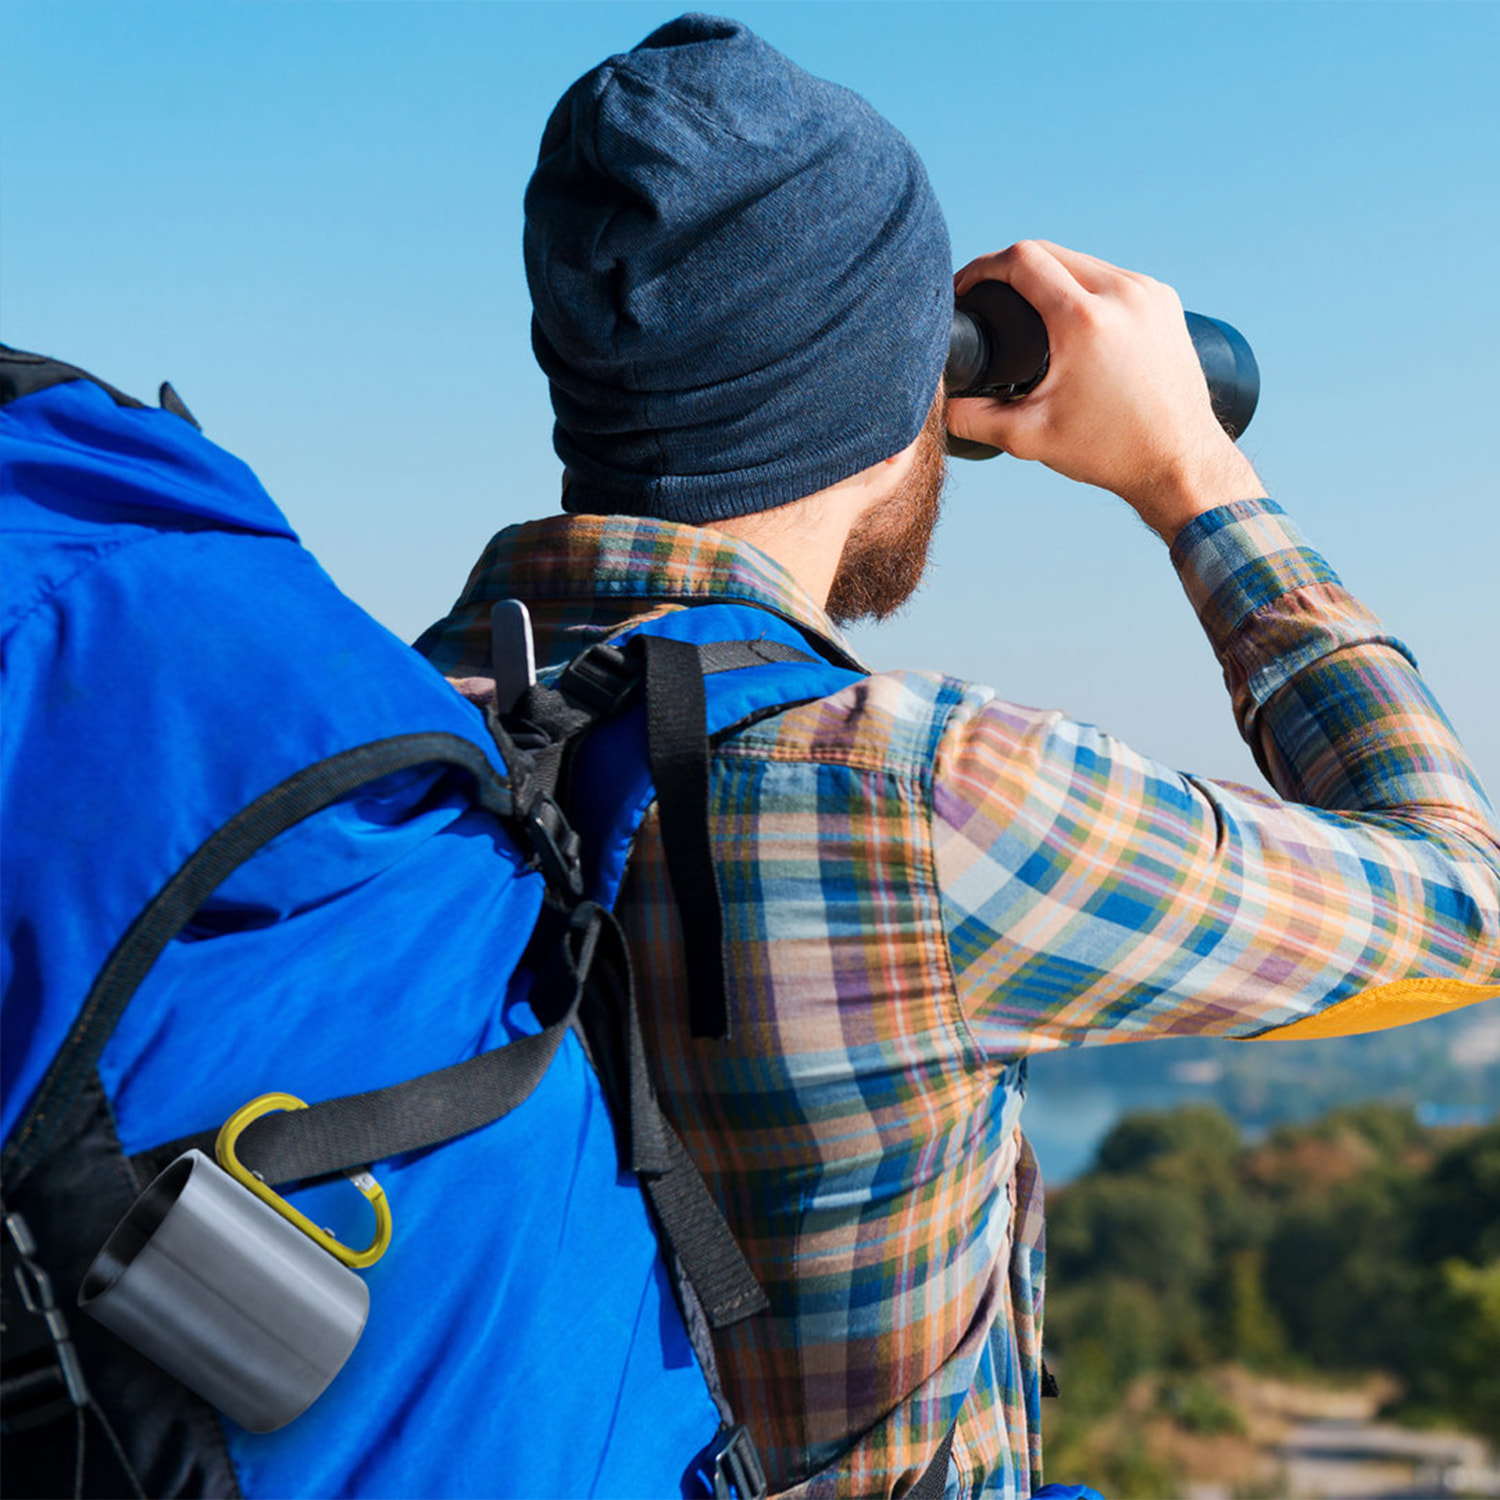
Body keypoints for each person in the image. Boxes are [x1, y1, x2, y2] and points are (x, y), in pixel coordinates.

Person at [417, 15, 1500, 1498]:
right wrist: (1197, 475)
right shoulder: (922, 799)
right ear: (903, 386)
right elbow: (1464, 903)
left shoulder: (379, 737)